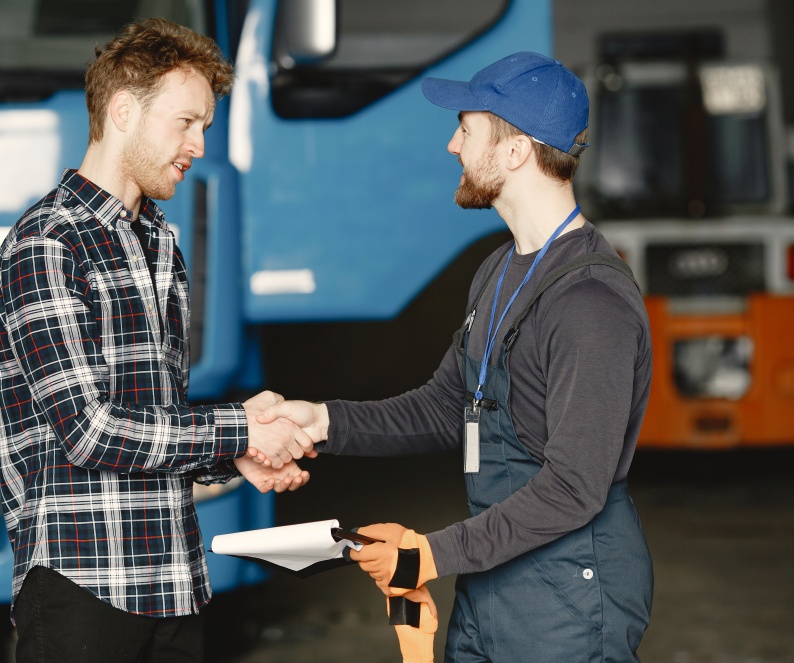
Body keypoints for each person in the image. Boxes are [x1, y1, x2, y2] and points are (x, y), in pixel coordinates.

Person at [257, 51, 654, 662]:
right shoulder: (499, 270)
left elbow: (576, 487)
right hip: (494, 575)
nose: (451, 145)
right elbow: (449, 405)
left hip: (571, 600)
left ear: (517, 150)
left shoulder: (591, 304)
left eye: (466, 129)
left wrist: (427, 556)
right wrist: (325, 421)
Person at [0, 18, 313, 663]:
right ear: (125, 111)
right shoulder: (46, 246)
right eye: (185, 122)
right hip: (84, 586)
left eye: (205, 128)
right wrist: (241, 430)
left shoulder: (159, 240)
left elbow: (151, 422)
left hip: (173, 580)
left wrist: (230, 460)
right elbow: (89, 431)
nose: (197, 144)